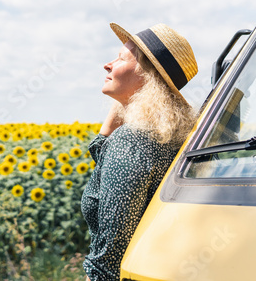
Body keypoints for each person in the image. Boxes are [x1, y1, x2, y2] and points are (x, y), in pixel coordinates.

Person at [81, 23, 199, 280]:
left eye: (121, 58)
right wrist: (125, 106)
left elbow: (113, 254)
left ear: (148, 77)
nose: (107, 65)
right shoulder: (168, 137)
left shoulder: (132, 142)